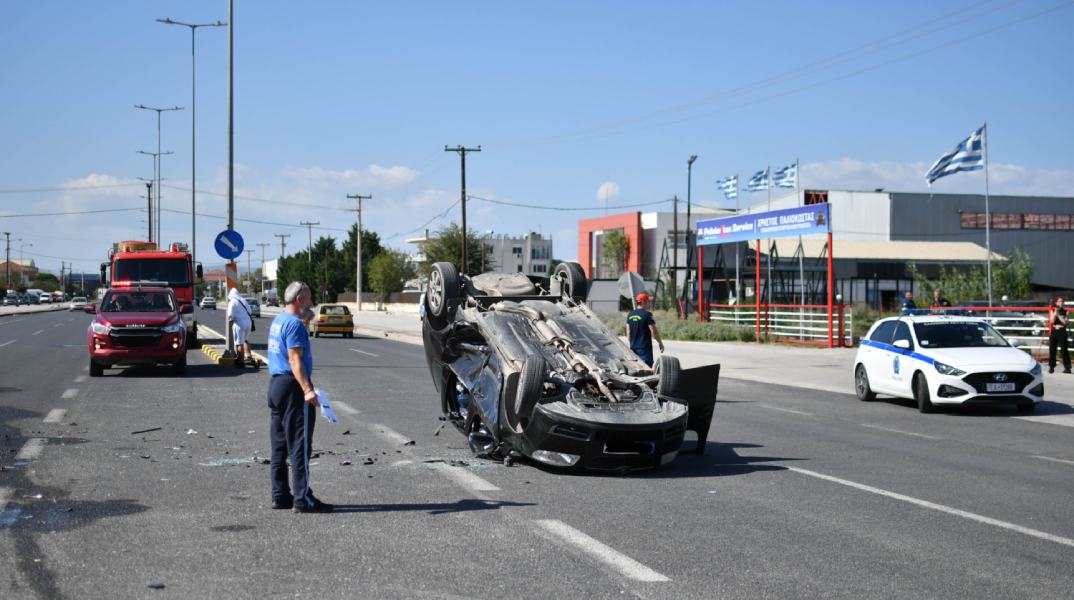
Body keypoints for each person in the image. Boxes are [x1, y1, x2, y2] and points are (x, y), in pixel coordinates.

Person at [267, 281, 333, 513]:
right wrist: (307, 389)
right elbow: (294, 360)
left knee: (279, 447)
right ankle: (302, 499)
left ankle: (280, 494)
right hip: (293, 388)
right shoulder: (294, 324)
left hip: (276, 385)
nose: (312, 303)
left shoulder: (280, 320)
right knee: (299, 446)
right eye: (309, 298)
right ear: (299, 300)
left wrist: (306, 323)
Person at [627, 293, 664, 367]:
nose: (649, 304)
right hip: (644, 348)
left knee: (635, 368)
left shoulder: (630, 314)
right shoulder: (647, 314)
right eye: (648, 301)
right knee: (646, 370)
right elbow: (653, 330)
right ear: (644, 302)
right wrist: (660, 343)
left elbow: (628, 331)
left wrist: (630, 344)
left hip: (633, 347)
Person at [227, 288, 254, 369]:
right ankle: (249, 357)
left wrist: (231, 319)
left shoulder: (232, 302)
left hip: (239, 323)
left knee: (239, 343)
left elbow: (230, 314)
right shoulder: (243, 300)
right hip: (248, 322)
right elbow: (250, 311)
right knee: (245, 340)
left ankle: (241, 362)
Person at [1048, 297, 1070, 374]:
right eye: (1060, 301)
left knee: (1064, 349)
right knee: (1052, 349)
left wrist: (1059, 315)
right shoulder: (1053, 311)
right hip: (1054, 330)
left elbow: (1065, 322)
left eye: (1062, 301)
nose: (1061, 303)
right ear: (1056, 303)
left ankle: (1067, 367)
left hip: (1061, 330)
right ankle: (1051, 366)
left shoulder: (1066, 312)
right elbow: (1052, 321)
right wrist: (1055, 313)